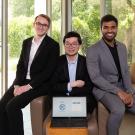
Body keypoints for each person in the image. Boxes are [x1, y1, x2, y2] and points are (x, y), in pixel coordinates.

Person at [0, 14, 59, 135]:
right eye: (39, 23)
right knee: (1, 105)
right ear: (34, 24)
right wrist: (16, 85)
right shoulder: (26, 42)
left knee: (12, 107)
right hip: (22, 81)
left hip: (40, 84)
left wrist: (26, 87)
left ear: (48, 28)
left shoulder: (53, 45)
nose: (41, 27)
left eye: (44, 25)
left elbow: (48, 72)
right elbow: (20, 65)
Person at [86, 14, 135, 135]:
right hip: (103, 88)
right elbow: (95, 77)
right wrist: (119, 92)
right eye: (106, 27)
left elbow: (125, 71)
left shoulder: (122, 47)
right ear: (101, 29)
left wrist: (130, 92)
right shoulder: (93, 50)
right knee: (118, 110)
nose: (109, 30)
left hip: (123, 86)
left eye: (113, 27)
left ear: (117, 28)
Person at [51, 31, 96, 113]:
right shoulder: (56, 62)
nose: (70, 46)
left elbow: (89, 86)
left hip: (81, 99)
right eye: (67, 44)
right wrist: (71, 85)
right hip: (61, 100)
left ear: (79, 46)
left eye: (74, 43)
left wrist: (72, 96)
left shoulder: (87, 62)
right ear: (64, 45)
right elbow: (52, 85)